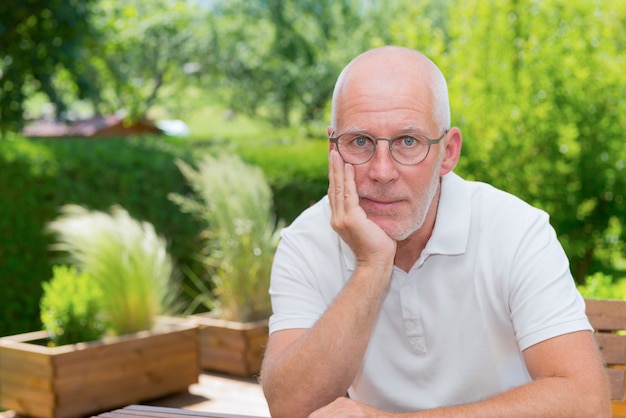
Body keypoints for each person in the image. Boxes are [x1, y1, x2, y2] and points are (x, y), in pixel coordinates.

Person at [259, 45, 610, 417]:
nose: (381, 171)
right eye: (359, 142)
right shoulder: (306, 241)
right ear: (333, 147)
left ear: (448, 152)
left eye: (407, 142)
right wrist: (372, 265)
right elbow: (288, 408)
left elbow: (587, 403)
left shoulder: (516, 230)